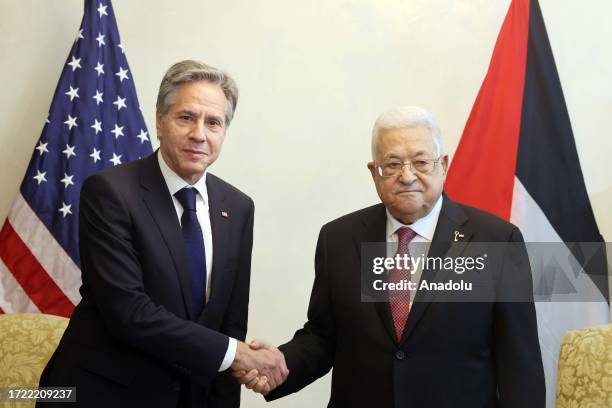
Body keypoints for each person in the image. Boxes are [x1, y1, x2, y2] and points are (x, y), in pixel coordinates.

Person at [236, 106, 545, 407]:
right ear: (374, 173)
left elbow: (519, 363)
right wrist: (279, 364)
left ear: (444, 165)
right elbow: (323, 337)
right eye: (393, 164)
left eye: (421, 162)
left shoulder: (496, 241)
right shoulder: (339, 239)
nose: (407, 176)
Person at [37, 60, 287, 408]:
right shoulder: (109, 192)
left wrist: (231, 376)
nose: (199, 134)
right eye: (186, 117)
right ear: (160, 120)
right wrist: (237, 354)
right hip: (104, 395)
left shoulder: (238, 207)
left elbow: (230, 322)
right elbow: (129, 312)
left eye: (213, 122)